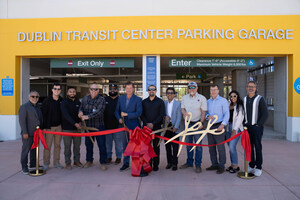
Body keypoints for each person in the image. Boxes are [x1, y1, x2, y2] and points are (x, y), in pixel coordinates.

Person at [78, 83, 107, 171]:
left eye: (96, 89)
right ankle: (89, 160)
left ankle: (103, 162)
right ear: (89, 90)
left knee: (101, 145)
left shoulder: (101, 99)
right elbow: (81, 107)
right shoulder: (85, 99)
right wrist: (80, 112)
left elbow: (99, 111)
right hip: (88, 127)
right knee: (88, 145)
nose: (93, 91)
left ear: (98, 90)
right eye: (92, 89)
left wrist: (88, 116)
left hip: (99, 127)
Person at [115, 81, 142, 172]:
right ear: (125, 89)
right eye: (127, 88)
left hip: (134, 127)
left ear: (133, 89)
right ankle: (125, 163)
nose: (129, 90)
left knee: (134, 147)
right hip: (123, 126)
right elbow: (116, 111)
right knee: (125, 146)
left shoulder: (138, 99)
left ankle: (136, 164)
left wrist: (127, 114)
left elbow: (139, 113)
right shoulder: (120, 98)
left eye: (130, 88)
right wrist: (119, 118)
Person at [180, 82, 207, 173]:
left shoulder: (202, 98)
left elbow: (203, 112)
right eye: (190, 87)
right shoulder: (184, 98)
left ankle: (198, 165)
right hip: (187, 124)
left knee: (198, 146)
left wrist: (201, 123)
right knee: (188, 145)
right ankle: (189, 162)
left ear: (197, 88)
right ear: (188, 88)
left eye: (193, 87)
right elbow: (182, 109)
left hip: (197, 124)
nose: (191, 89)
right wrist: (184, 113)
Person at [244, 81, 268, 177]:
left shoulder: (260, 99)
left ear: (255, 88)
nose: (251, 88)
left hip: (257, 128)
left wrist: (258, 124)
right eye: (249, 86)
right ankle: (251, 165)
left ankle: (258, 167)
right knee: (249, 148)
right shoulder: (245, 99)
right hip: (247, 128)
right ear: (247, 88)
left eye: (253, 87)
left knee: (257, 147)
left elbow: (265, 113)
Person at [206, 84, 229, 174]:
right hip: (210, 126)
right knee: (211, 147)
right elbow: (206, 113)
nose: (213, 92)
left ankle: (221, 165)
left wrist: (223, 125)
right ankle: (214, 164)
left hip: (219, 126)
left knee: (220, 147)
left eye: (215, 90)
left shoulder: (223, 101)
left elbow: (227, 114)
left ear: (218, 90)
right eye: (212, 90)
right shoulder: (208, 101)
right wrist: (208, 116)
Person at [141, 85, 165, 172]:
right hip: (146, 129)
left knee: (156, 147)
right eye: (150, 89)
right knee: (146, 148)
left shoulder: (160, 102)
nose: (152, 91)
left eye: (153, 89)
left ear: (156, 91)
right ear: (148, 91)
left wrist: (153, 123)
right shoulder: (144, 102)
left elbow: (161, 115)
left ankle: (155, 165)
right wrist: (147, 123)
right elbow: (141, 114)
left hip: (157, 128)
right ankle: (148, 164)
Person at [19, 91, 43, 174]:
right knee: (25, 151)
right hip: (27, 134)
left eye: (37, 97)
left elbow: (39, 119)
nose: (35, 98)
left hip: (36, 133)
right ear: (29, 97)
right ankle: (24, 167)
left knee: (34, 150)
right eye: (33, 96)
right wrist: (24, 132)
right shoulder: (24, 107)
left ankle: (33, 164)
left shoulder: (38, 107)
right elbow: (22, 121)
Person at [42, 83, 64, 170]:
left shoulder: (62, 100)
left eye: (58, 89)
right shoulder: (46, 101)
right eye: (55, 89)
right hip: (49, 127)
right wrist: (43, 127)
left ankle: (56, 162)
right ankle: (46, 163)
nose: (57, 90)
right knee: (47, 145)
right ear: (52, 90)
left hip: (59, 126)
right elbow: (43, 114)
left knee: (57, 145)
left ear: (60, 90)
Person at [60, 87, 82, 170]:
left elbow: (80, 113)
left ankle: (77, 161)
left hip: (77, 129)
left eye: (73, 91)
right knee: (67, 147)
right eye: (70, 92)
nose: (72, 93)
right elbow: (66, 115)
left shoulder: (78, 102)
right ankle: (68, 163)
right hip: (67, 129)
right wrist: (75, 123)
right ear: (67, 93)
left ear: (75, 93)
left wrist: (80, 122)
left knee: (77, 146)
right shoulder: (64, 102)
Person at [225, 90, 245, 173]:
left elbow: (240, 119)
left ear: (237, 96)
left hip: (235, 129)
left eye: (234, 96)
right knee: (230, 148)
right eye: (231, 96)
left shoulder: (240, 106)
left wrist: (235, 129)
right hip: (228, 128)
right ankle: (232, 165)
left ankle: (236, 166)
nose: (233, 98)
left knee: (232, 147)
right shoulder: (229, 105)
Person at [164, 87, 182, 171]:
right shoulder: (164, 103)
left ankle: (175, 163)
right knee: (167, 146)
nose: (169, 94)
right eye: (168, 93)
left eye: (171, 93)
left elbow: (179, 117)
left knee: (175, 147)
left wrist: (176, 127)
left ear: (174, 94)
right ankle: (169, 162)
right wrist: (165, 117)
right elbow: (162, 114)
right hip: (166, 128)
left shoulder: (178, 104)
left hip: (175, 128)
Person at [104, 84, 122, 165]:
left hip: (118, 126)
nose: (112, 90)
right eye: (111, 89)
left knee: (118, 143)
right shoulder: (104, 99)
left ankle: (118, 157)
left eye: (114, 89)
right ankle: (108, 157)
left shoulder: (120, 99)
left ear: (117, 90)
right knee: (108, 143)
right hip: (107, 126)